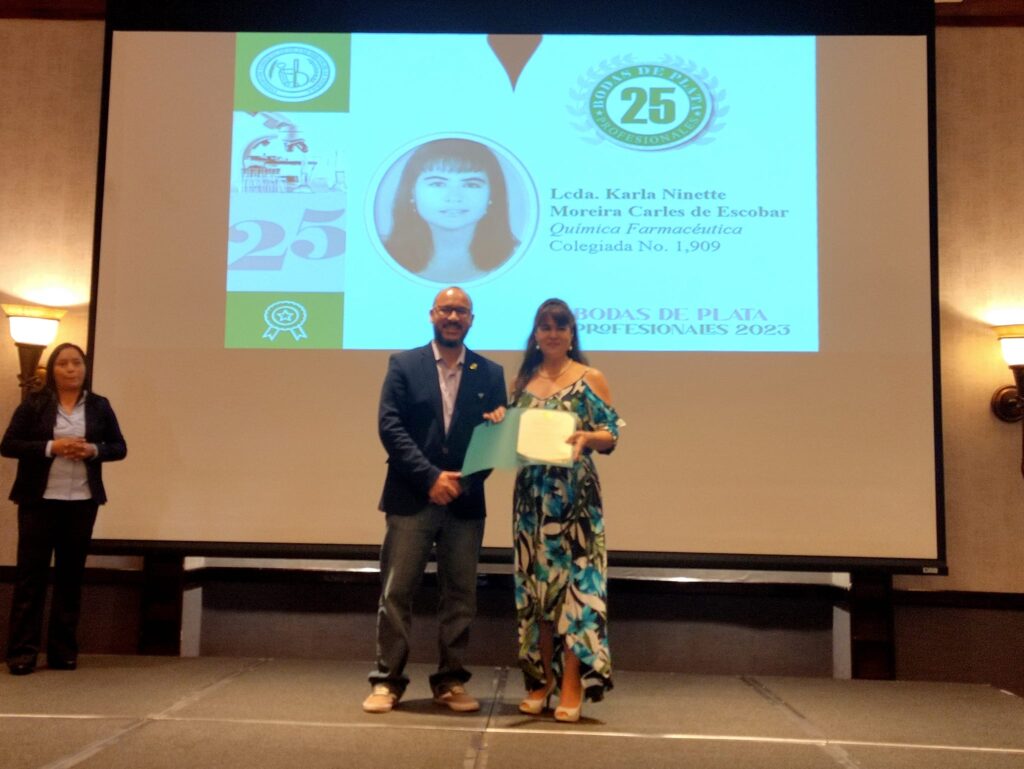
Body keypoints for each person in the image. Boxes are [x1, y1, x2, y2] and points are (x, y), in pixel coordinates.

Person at [363, 286, 506, 714]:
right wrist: (430, 478)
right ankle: (387, 681)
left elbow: (495, 438)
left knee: (460, 596)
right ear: (432, 315)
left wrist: (462, 483)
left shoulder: (490, 373)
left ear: (471, 319)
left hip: (465, 501)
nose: (453, 317)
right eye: (446, 309)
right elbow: (390, 426)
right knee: (397, 592)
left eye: (461, 311)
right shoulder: (404, 364)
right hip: (411, 495)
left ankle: (450, 681)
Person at [510, 298, 621, 722]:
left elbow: (611, 434)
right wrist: (499, 420)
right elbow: (513, 438)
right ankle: (541, 681)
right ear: (535, 334)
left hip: (575, 500)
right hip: (531, 500)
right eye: (545, 326)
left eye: (561, 326)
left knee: (576, 591)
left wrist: (587, 438)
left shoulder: (590, 378)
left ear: (572, 334)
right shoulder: (523, 380)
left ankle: (572, 683)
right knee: (538, 591)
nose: (553, 333)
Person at [1, 343, 127, 675]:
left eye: (77, 363)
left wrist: (92, 450)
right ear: (52, 370)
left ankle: (63, 650)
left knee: (70, 577)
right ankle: (22, 652)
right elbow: (9, 444)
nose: (71, 369)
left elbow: (119, 447)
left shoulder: (99, 406)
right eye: (63, 364)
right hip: (38, 502)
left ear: (85, 368)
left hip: (82, 501)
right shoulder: (35, 404)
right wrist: (51, 447)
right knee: (31, 577)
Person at [383, 138, 520, 283]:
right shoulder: (383, 256)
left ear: (492, 194)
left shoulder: (517, 258)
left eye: (471, 185)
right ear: (411, 192)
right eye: (437, 184)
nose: (454, 197)